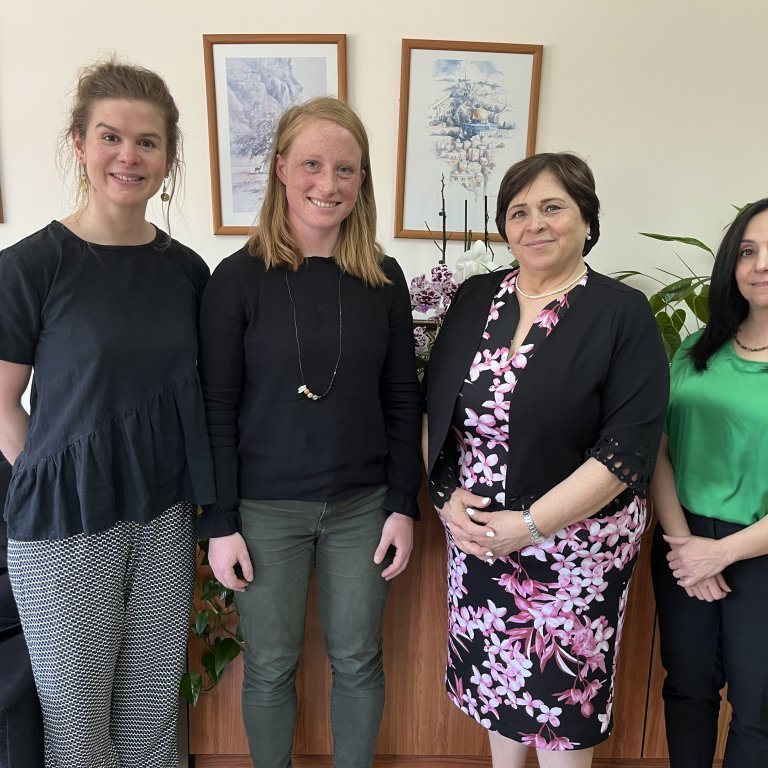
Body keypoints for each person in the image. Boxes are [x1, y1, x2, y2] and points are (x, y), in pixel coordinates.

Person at [0, 60, 215, 768]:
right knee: (80, 730)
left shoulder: (188, 272)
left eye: (147, 141)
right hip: (64, 524)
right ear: (79, 143)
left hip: (163, 517)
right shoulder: (30, 266)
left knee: (153, 720)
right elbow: (0, 402)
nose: (129, 155)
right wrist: (52, 477)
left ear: (168, 157)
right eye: (111, 136)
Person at [198, 96, 422, 768]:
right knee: (270, 664)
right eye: (313, 165)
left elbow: (402, 397)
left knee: (358, 658)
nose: (329, 184)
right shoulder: (236, 280)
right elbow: (216, 409)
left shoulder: (383, 278)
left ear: (363, 180)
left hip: (363, 508)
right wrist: (220, 522)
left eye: (345, 169)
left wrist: (403, 504)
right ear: (280, 170)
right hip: (265, 511)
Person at [423, 152, 669, 767]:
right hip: (480, 540)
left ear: (586, 219)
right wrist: (446, 498)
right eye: (519, 211)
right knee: (497, 689)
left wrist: (530, 526)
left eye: (552, 207)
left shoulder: (621, 313)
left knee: (559, 714)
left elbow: (626, 448)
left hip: (575, 551)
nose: (535, 223)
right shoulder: (476, 297)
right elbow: (438, 406)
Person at [650, 198, 768, 768]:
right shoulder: (697, 349)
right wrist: (684, 546)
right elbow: (658, 450)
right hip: (683, 543)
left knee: (757, 710)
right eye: (748, 251)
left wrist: (720, 553)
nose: (761, 265)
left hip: (758, 550)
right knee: (688, 691)